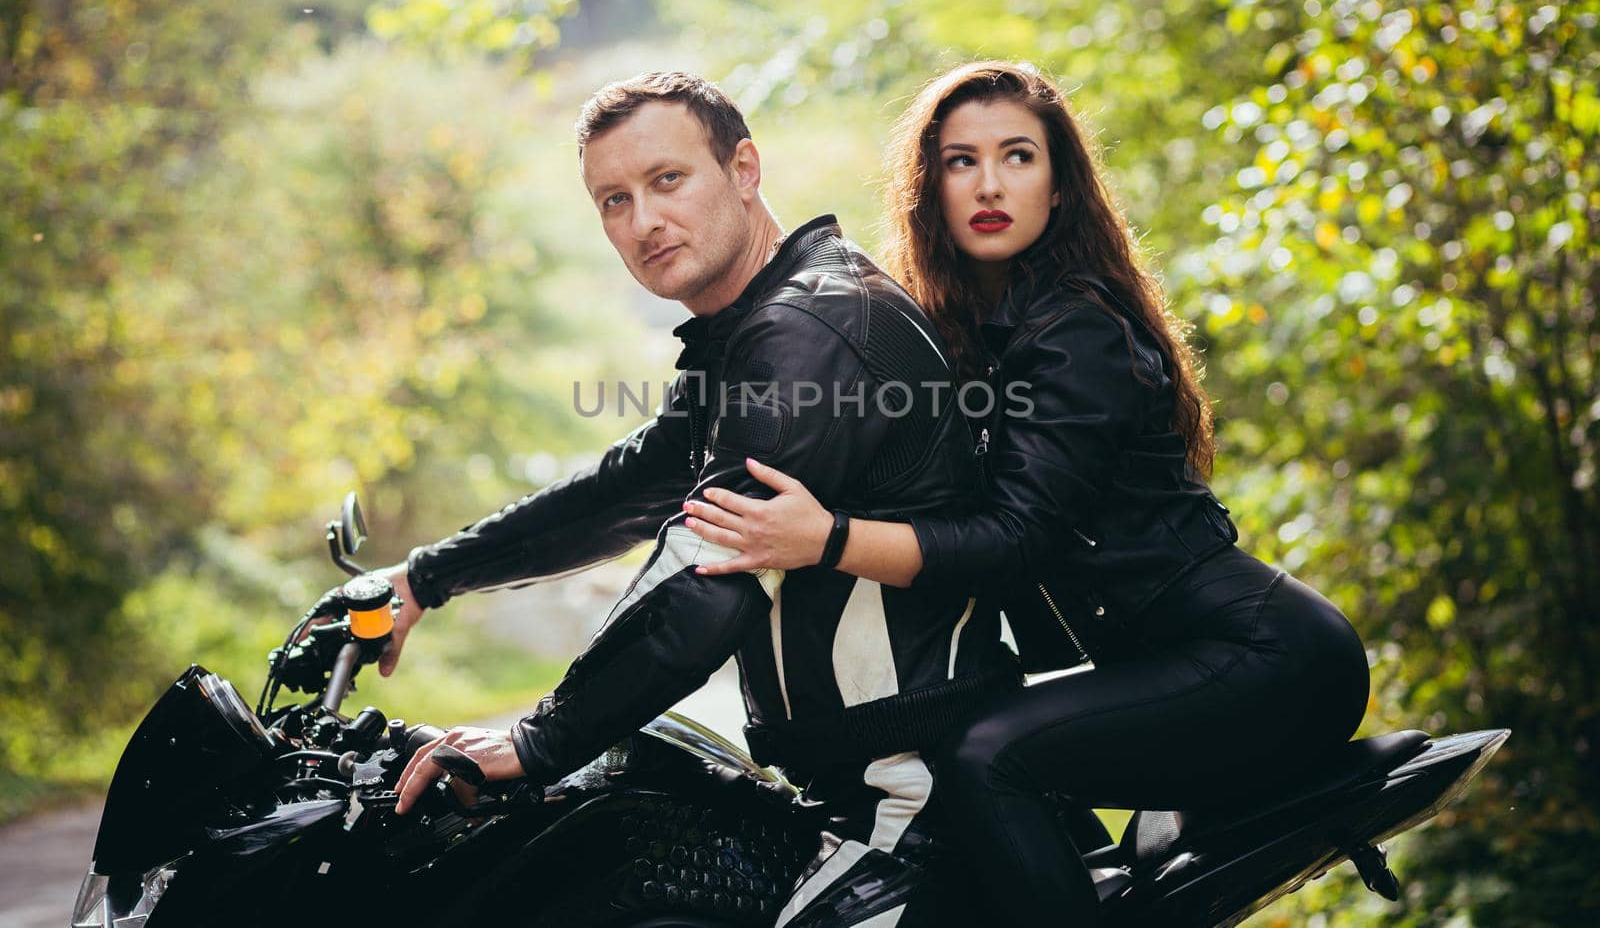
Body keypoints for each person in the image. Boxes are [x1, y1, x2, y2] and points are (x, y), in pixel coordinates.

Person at [682, 60, 1371, 923]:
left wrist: (824, 536)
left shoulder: (1074, 328)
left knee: (989, 755)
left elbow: (1013, 539)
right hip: (1172, 658)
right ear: (929, 187)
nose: (990, 184)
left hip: (1263, 657)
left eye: (1018, 157)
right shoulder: (979, 330)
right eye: (962, 161)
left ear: (1060, 184)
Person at [379, 71, 1018, 926]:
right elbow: (633, 486)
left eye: (667, 180)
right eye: (614, 200)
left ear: (744, 169)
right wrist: (427, 576)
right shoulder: (755, 328)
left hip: (915, 809)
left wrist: (537, 741)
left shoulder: (807, 334)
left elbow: (704, 577)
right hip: (856, 793)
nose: (643, 221)